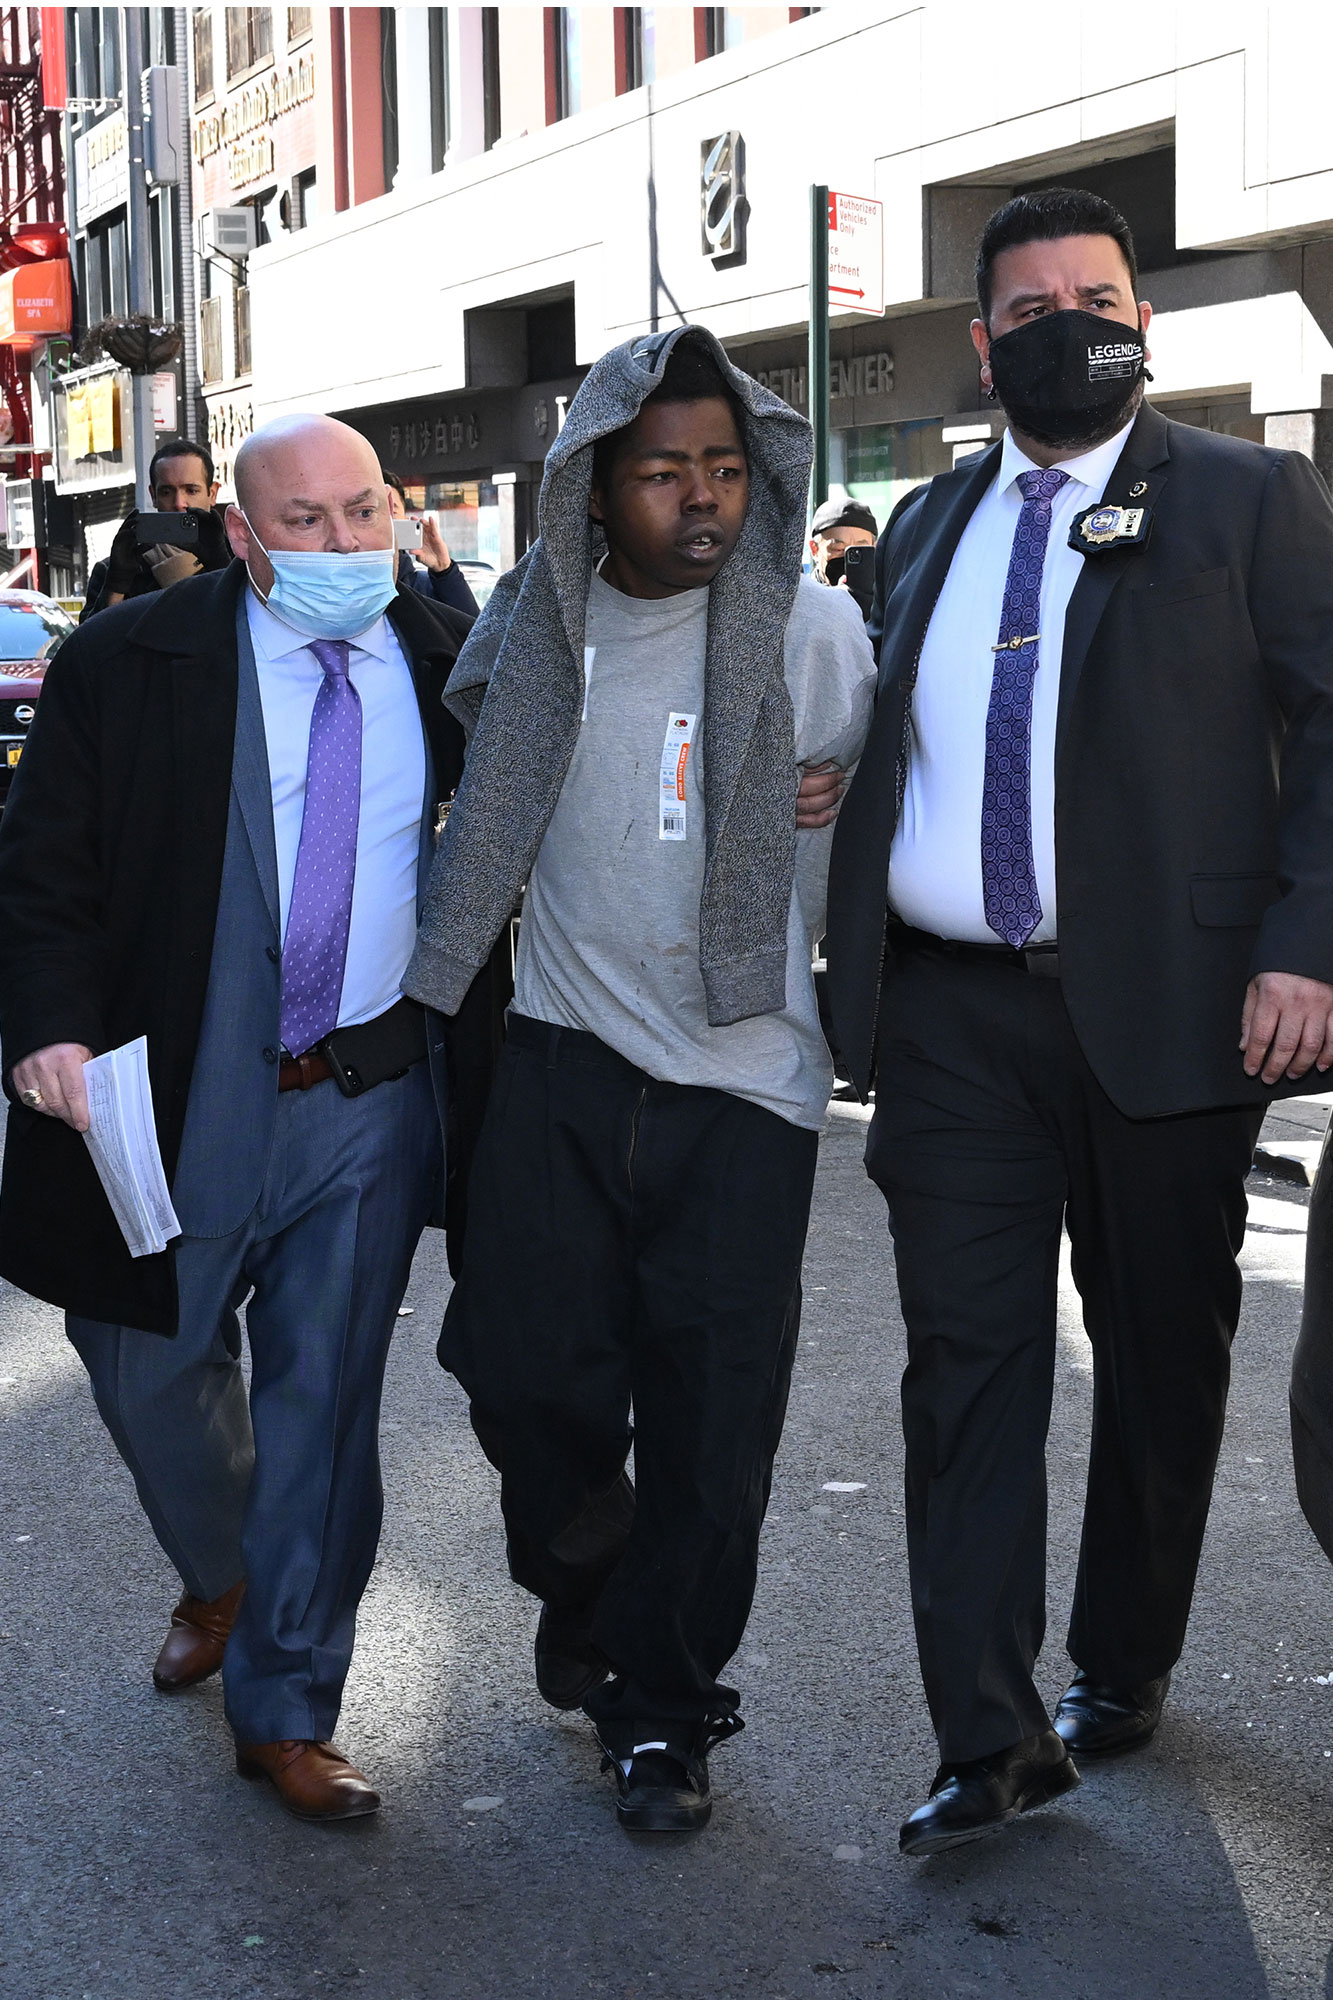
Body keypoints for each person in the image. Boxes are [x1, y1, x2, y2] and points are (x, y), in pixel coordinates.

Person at [824, 187, 1333, 1857]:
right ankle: (987, 1735)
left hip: (1180, 1015)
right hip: (950, 1020)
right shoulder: (924, 521)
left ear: (1140, 321)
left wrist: (1305, 950)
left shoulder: (1248, 498)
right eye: (1029, 309)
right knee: (962, 1369)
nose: (1066, 328)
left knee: (1159, 1354)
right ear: (983, 348)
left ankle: (1121, 1657)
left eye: (1094, 300)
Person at [402, 326, 875, 1835]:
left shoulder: (811, 628)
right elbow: (479, 777)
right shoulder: (538, 620)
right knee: (516, 1372)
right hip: (560, 1052)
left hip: (746, 1076)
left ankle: (664, 1708)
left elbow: (867, 814)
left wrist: (835, 799)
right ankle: (594, 1591)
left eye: (725, 468)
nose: (702, 496)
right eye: (664, 470)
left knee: (711, 1425)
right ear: (594, 488)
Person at [0, 414, 476, 1823]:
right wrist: (49, 1029)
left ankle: (287, 1707)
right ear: (241, 533)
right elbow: (44, 864)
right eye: (305, 522)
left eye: (363, 512)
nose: (343, 544)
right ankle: (226, 1571)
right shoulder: (128, 661)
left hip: (367, 1098)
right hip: (177, 1086)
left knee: (323, 1409)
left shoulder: (453, 659)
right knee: (140, 1364)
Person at [80, 436, 230, 620]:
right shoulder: (116, 568)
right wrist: (116, 586)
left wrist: (221, 566)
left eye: (191, 490)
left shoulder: (240, 559)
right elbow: (92, 637)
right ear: (153, 495)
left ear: (212, 493)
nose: (179, 503)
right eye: (166, 492)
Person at [384, 467, 480, 616]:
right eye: (369, 512)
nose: (385, 519)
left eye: (393, 511)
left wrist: (444, 570)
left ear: (405, 517)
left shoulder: (425, 588)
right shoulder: (347, 585)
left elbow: (471, 625)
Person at [808, 494, 877, 585]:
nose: (850, 558)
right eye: (838, 549)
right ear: (815, 549)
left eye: (859, 550)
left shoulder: (885, 591)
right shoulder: (799, 593)